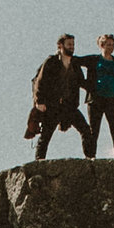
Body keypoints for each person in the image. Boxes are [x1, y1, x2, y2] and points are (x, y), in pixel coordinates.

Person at [26, 34, 86, 162]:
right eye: (69, 44)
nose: (72, 47)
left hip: (69, 105)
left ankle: (90, 158)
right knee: (46, 134)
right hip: (53, 105)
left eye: (73, 45)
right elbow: (39, 82)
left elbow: (82, 82)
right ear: (60, 45)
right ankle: (39, 161)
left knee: (85, 130)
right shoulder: (51, 62)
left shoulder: (74, 64)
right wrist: (39, 101)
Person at [82, 32, 114, 158]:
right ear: (102, 45)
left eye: (113, 45)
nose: (111, 47)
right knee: (94, 130)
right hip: (96, 100)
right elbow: (75, 61)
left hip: (113, 100)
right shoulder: (93, 60)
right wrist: (84, 84)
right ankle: (91, 157)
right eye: (108, 44)